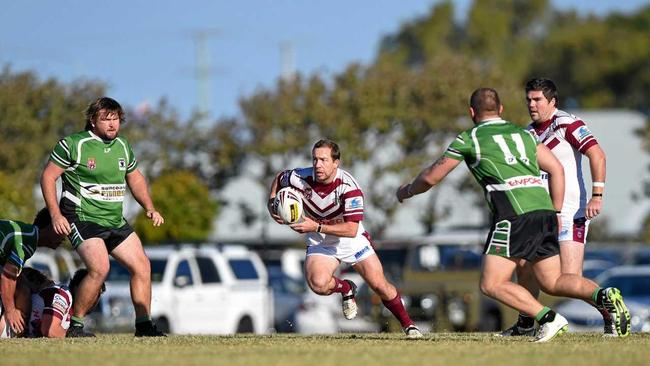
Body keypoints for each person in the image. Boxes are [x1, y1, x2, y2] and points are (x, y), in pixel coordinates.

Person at [396, 87, 630, 342]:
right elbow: (557, 169)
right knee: (552, 281)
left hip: (514, 215)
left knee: (491, 284)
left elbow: (431, 176)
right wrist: (554, 211)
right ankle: (601, 296)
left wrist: (407, 190)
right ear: (501, 110)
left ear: (472, 112)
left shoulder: (470, 138)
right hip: (546, 212)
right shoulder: (524, 134)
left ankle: (548, 318)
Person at [267, 139, 423, 339]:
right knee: (318, 284)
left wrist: (316, 226)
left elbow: (351, 229)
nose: (317, 165)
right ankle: (347, 288)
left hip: (350, 239)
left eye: (323, 160)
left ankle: (409, 326)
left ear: (336, 162)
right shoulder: (300, 176)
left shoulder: (349, 187)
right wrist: (273, 203)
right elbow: (280, 178)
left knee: (379, 286)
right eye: (315, 160)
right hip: (321, 240)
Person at [499, 78, 616, 337]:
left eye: (538, 99)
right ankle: (526, 323)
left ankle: (610, 308)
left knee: (567, 279)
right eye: (528, 99)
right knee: (524, 265)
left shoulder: (567, 123)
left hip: (571, 212)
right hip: (541, 212)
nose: (532, 104)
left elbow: (598, 155)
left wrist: (597, 195)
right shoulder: (528, 133)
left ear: (552, 101)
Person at [40, 97, 165, 337]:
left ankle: (144, 325)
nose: (112, 125)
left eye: (116, 119)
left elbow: (135, 177)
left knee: (142, 266)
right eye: (106, 119)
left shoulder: (122, 146)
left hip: (115, 220)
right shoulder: (74, 144)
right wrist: (56, 215)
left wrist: (149, 206)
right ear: (92, 120)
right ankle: (75, 326)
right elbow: (48, 177)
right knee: (100, 268)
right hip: (82, 218)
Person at [0, 208, 63, 337]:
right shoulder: (27, 240)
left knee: (22, 286)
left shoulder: (26, 232)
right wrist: (11, 310)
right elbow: (7, 277)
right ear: (51, 227)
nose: (65, 236)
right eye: (63, 227)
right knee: (22, 291)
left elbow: (10, 271)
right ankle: (16, 333)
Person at [0, 267, 104, 338]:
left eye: (99, 295)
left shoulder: (70, 311)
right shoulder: (63, 294)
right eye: (94, 293)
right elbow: (50, 330)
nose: (96, 300)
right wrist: (74, 335)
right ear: (79, 288)